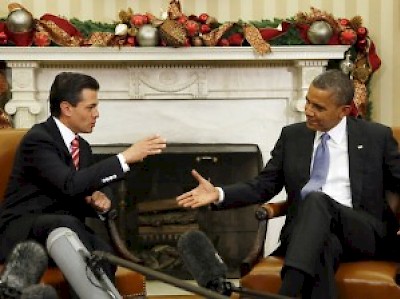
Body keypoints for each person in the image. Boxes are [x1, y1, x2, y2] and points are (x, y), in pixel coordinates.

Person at [176, 69, 400, 299]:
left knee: (316, 200)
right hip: (307, 232)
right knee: (323, 246)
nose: (308, 111)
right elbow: (263, 185)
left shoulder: (376, 137)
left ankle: (288, 291)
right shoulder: (293, 136)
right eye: (308, 102)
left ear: (344, 111)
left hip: (362, 232)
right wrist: (219, 194)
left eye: (319, 108)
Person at [0, 72, 167, 282]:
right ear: (67, 108)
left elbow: (88, 185)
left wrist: (101, 200)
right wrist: (125, 157)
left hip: (64, 232)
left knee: (103, 253)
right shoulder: (39, 140)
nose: (97, 114)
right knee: (67, 225)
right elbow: (69, 185)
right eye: (90, 107)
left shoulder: (83, 148)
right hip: (23, 234)